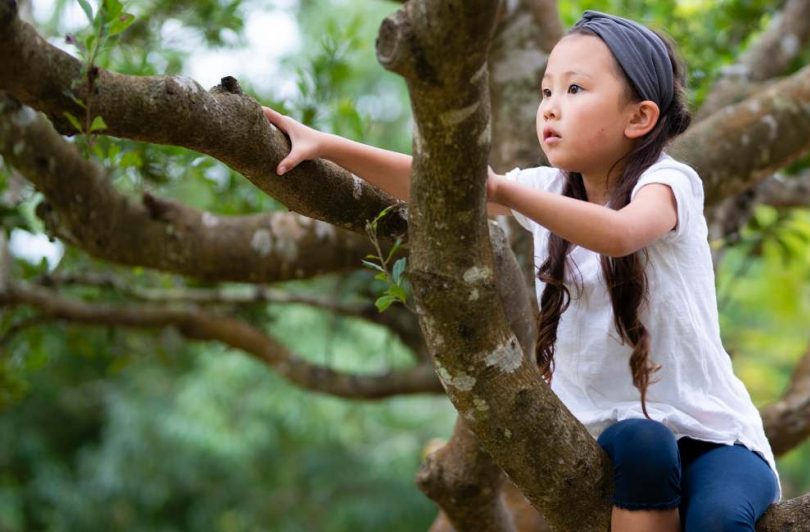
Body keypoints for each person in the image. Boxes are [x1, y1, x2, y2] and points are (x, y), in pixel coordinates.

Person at [263, 10, 781, 531]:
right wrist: (326, 145)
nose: (551, 108)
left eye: (575, 90)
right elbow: (431, 178)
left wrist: (506, 190)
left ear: (639, 118)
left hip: (714, 438)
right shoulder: (547, 188)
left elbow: (619, 233)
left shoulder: (669, 182)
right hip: (614, 440)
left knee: (717, 520)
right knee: (644, 440)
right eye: (546, 92)